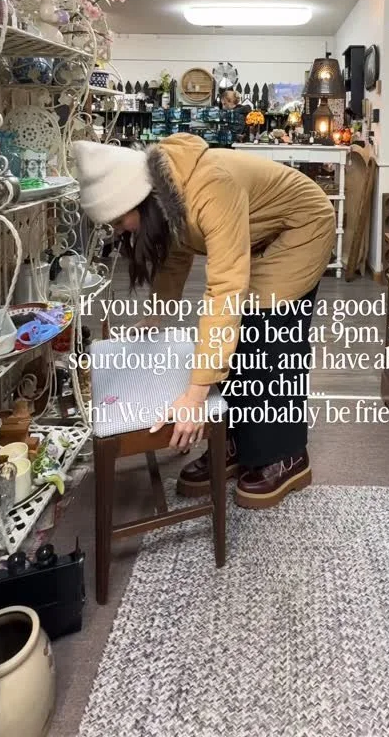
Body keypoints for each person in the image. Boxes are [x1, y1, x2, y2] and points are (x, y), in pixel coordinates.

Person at [73, 133, 335, 508]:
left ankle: (286, 455)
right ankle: (237, 440)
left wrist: (195, 397)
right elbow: (177, 253)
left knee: (269, 333)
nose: (119, 231)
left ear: (137, 201)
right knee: (236, 336)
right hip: (259, 234)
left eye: (119, 221)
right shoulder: (167, 192)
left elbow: (226, 290)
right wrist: (156, 314)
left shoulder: (211, 187)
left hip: (300, 229)